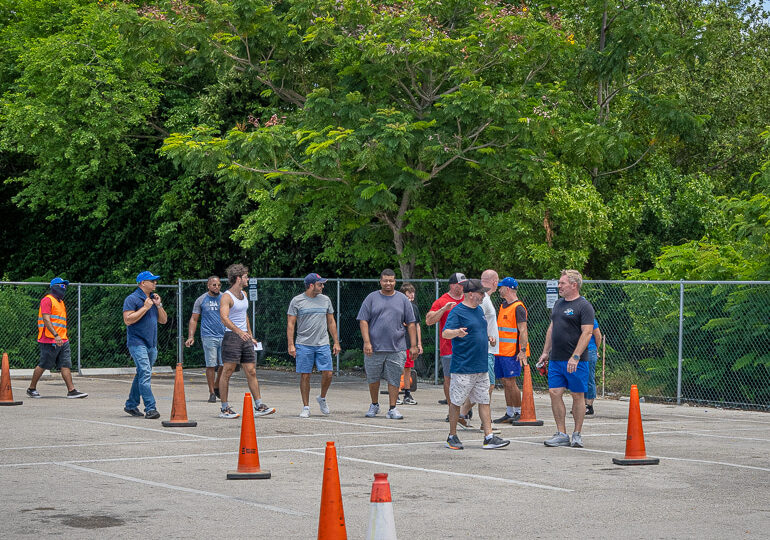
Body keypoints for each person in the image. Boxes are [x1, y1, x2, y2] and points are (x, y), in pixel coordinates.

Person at [442, 279, 510, 450]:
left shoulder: (479, 310)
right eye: (481, 293)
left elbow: (478, 331)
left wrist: (488, 338)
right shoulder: (458, 312)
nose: (483, 295)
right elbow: (445, 333)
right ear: (471, 294)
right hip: (464, 366)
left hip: (481, 366)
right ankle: (452, 436)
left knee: (484, 400)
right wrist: (456, 332)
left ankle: (488, 437)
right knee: (456, 402)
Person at [538, 269, 595, 448]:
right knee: (555, 393)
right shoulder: (558, 304)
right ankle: (561, 433)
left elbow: (587, 332)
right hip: (556, 359)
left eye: (562, 283)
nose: (559, 286)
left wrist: (576, 356)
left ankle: (577, 434)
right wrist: (546, 352)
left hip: (576, 360)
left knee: (578, 395)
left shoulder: (584, 306)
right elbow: (552, 328)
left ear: (574, 285)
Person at [218, 263, 276, 419]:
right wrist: (239, 332)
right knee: (227, 372)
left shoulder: (244, 294)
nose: (248, 279)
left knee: (251, 371)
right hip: (231, 337)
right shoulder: (226, 296)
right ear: (238, 278)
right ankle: (224, 408)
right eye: (245, 276)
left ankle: (259, 406)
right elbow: (224, 318)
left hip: (245, 338)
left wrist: (250, 335)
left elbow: (245, 316)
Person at [357, 269, 417, 420]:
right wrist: (366, 342)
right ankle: (374, 404)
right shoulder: (371, 298)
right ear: (380, 281)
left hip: (397, 348)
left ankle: (392, 408)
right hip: (374, 348)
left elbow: (411, 323)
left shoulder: (402, 300)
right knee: (373, 378)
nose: (388, 283)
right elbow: (363, 320)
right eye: (385, 280)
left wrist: (414, 345)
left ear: (395, 282)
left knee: (394, 379)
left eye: (391, 281)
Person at [287, 272, 341, 418]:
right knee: (305, 375)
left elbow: (331, 322)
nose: (322, 286)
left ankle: (322, 398)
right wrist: (291, 344)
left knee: (328, 373)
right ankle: (306, 407)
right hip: (304, 344)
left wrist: (336, 342)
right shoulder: (297, 301)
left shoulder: (325, 300)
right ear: (311, 285)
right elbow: (291, 324)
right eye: (320, 284)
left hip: (322, 343)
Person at [26, 277, 88, 399]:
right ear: (54, 287)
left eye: (65, 286)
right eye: (61, 285)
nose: (64, 288)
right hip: (49, 339)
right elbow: (46, 319)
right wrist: (55, 335)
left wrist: (61, 337)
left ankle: (72, 390)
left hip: (63, 339)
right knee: (44, 364)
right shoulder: (47, 300)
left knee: (65, 364)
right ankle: (31, 388)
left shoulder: (60, 302)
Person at [123, 271, 167, 419]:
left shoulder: (152, 299)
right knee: (146, 372)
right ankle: (150, 408)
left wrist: (158, 305)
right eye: (152, 281)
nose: (155, 283)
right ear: (143, 283)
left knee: (142, 373)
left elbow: (163, 320)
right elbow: (128, 320)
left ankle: (131, 405)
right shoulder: (132, 299)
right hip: (137, 342)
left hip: (151, 344)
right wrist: (145, 308)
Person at [492, 277, 529, 424]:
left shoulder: (518, 307)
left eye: (501, 287)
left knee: (511, 382)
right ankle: (509, 412)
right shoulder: (503, 305)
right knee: (505, 382)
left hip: (512, 352)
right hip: (500, 351)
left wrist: (523, 350)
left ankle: (519, 412)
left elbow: (523, 330)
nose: (499, 289)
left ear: (507, 289)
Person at [425, 273, 465, 409]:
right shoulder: (442, 301)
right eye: (461, 284)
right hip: (449, 348)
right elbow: (429, 320)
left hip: (467, 348)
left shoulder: (469, 298)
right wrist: (443, 309)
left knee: (467, 378)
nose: (463, 287)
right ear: (453, 285)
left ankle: (463, 408)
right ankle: (452, 409)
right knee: (449, 378)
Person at [185, 276, 226, 403]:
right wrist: (191, 336)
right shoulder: (201, 300)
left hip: (224, 335)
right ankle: (212, 392)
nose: (217, 287)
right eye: (214, 285)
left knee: (224, 365)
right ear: (208, 286)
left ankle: (217, 385)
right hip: (209, 336)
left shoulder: (225, 297)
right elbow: (194, 319)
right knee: (210, 364)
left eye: (218, 285)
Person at [397, 283, 422, 405]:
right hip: (398, 343)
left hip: (410, 343)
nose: (411, 295)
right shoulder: (397, 307)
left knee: (408, 368)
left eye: (413, 292)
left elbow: (417, 326)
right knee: (398, 368)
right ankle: (395, 393)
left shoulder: (414, 308)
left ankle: (407, 393)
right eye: (408, 292)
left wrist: (418, 344)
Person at [479, 270, 500, 405]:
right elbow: (476, 321)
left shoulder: (486, 297)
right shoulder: (483, 299)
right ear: (495, 282)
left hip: (488, 350)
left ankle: (463, 414)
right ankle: (463, 413)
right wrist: (488, 337)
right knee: (488, 386)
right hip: (486, 350)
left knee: (486, 386)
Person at [585, 318, 602, 416]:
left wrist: (595, 349)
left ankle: (589, 405)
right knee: (579, 378)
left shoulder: (591, 320)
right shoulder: (574, 319)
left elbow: (598, 336)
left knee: (589, 378)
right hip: (577, 351)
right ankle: (582, 405)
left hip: (590, 350)